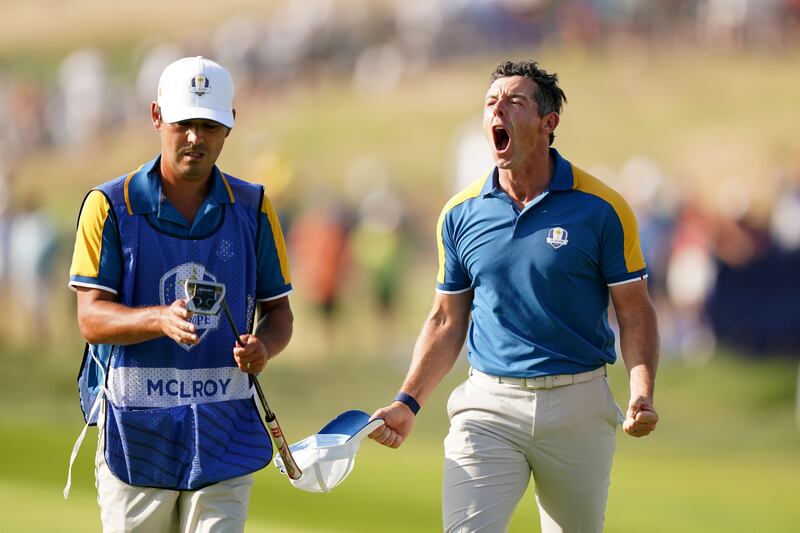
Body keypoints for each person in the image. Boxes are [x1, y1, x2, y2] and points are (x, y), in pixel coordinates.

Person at [369, 60, 660, 533]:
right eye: (490, 102)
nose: (497, 109)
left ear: (549, 124)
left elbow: (634, 309)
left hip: (578, 404)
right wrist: (408, 401)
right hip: (487, 405)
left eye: (514, 101)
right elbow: (446, 320)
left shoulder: (603, 208)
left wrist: (642, 392)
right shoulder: (459, 214)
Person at [66, 56, 293, 532]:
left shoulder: (254, 207)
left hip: (224, 429)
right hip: (136, 434)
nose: (196, 137)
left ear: (229, 128)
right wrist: (158, 319)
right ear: (156, 117)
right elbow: (90, 319)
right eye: (184, 123)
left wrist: (263, 347)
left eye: (209, 125)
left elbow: (280, 314)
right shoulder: (109, 205)